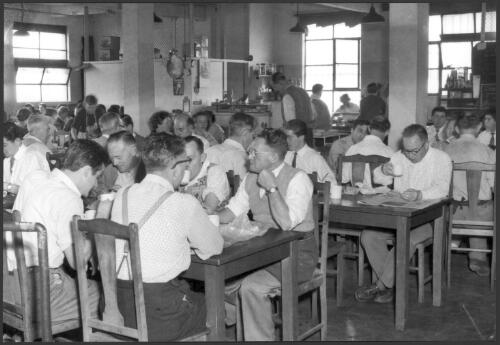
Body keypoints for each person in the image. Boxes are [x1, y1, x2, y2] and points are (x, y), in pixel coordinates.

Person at [110, 132, 223, 341]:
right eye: (185, 163)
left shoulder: (122, 194)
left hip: (118, 305)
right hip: (159, 313)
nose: (186, 168)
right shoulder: (183, 202)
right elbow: (214, 247)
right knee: (211, 304)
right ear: (174, 166)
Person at [218, 129, 315, 341]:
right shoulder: (250, 178)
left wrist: (272, 189)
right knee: (218, 281)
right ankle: (236, 320)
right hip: (261, 252)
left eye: (255, 153)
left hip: (294, 257)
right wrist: (206, 217)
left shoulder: (298, 178)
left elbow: (286, 223)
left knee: (251, 287)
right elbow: (231, 212)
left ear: (273, 157)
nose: (248, 156)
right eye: (249, 151)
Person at [11, 139, 108, 324]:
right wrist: (98, 220)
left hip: (14, 287)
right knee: (110, 297)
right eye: (97, 176)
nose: (96, 184)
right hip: (43, 293)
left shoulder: (37, 181)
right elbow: (77, 261)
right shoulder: (68, 197)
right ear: (86, 171)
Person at [356, 124, 452, 303]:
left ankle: (380, 286)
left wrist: (420, 194)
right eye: (406, 151)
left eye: (413, 151)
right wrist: (383, 170)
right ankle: (390, 284)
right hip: (398, 216)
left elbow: (442, 188)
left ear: (425, 145)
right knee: (368, 236)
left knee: (405, 240)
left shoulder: (441, 158)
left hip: (429, 219)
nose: (408, 155)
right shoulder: (400, 156)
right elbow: (378, 178)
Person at [444, 114, 495, 276]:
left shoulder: (445, 150)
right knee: (485, 204)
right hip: (480, 214)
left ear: (457, 129)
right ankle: (478, 256)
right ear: (479, 128)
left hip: (451, 211)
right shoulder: (488, 152)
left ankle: (451, 243)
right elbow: (494, 185)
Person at [182, 136, 230, 213]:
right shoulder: (175, 172)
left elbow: (208, 209)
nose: (184, 165)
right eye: (180, 160)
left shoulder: (214, 171)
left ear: (202, 157)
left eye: (189, 159)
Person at [342, 116, 393, 188]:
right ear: (387, 132)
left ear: (369, 129)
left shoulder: (353, 149)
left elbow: (344, 178)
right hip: (382, 198)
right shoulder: (390, 152)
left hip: (357, 197)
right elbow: (392, 181)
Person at [283, 119, 337, 185]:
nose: (287, 140)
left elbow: (332, 181)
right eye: (286, 137)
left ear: (301, 138)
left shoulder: (314, 158)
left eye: (290, 137)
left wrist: (314, 183)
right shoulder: (286, 155)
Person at [95, 130, 146, 197]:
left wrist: (126, 194)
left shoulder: (151, 170)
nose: (115, 163)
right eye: (112, 158)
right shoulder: (110, 170)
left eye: (118, 157)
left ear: (133, 150)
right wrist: (108, 192)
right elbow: (98, 192)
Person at [205, 112, 255, 178]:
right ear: (245, 132)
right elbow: (242, 186)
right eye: (253, 136)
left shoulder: (209, 151)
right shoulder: (242, 158)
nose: (254, 141)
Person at [270, 72, 315, 144]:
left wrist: (282, 131)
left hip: (297, 133)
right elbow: (313, 113)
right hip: (309, 130)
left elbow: (290, 120)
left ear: (280, 83)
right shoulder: (303, 91)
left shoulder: (287, 95)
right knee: (310, 153)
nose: (277, 92)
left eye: (275, 88)